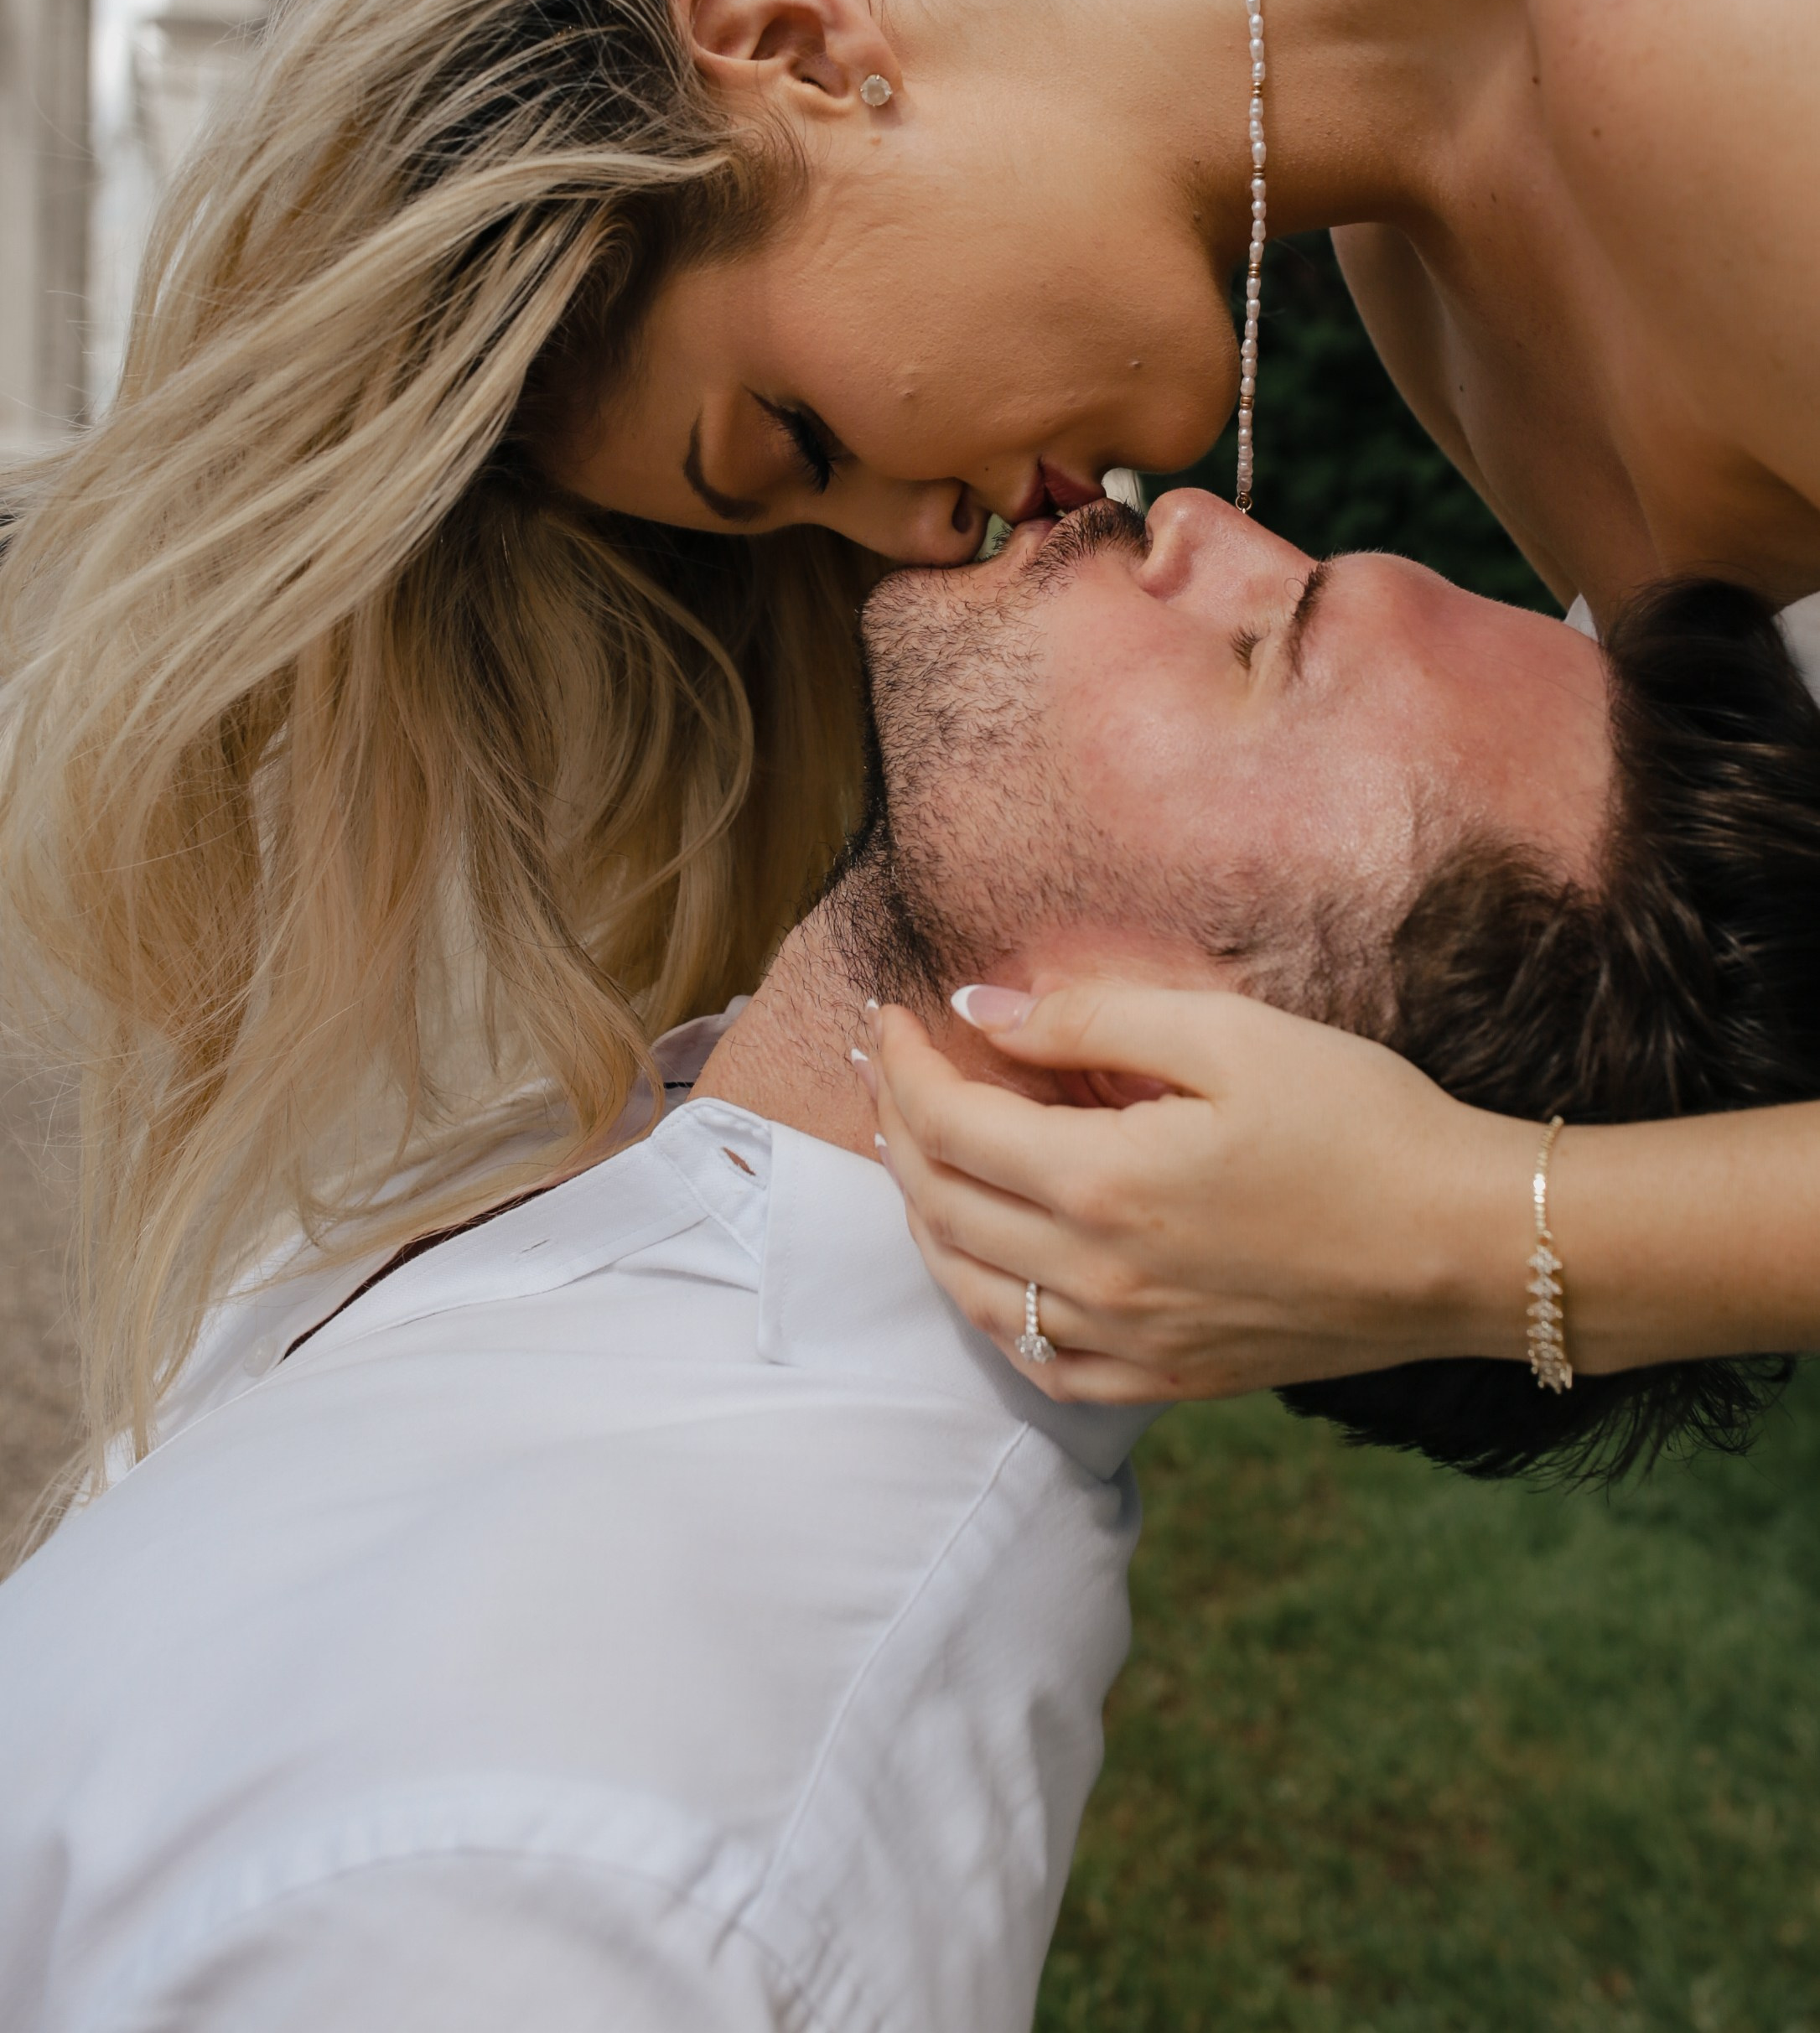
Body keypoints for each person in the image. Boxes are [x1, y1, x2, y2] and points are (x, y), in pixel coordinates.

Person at [3, 0, 1814, 1489]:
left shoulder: (1746, 14)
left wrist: (1478, 1242)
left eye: (795, 442)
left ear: (792, 48)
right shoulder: (1427, 243)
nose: (918, 542)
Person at [3, 487, 1811, 2032]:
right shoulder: (649, 1153)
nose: (1198, 517)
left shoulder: (602, 1857)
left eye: (1270, 645)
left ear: (1216, 1081)